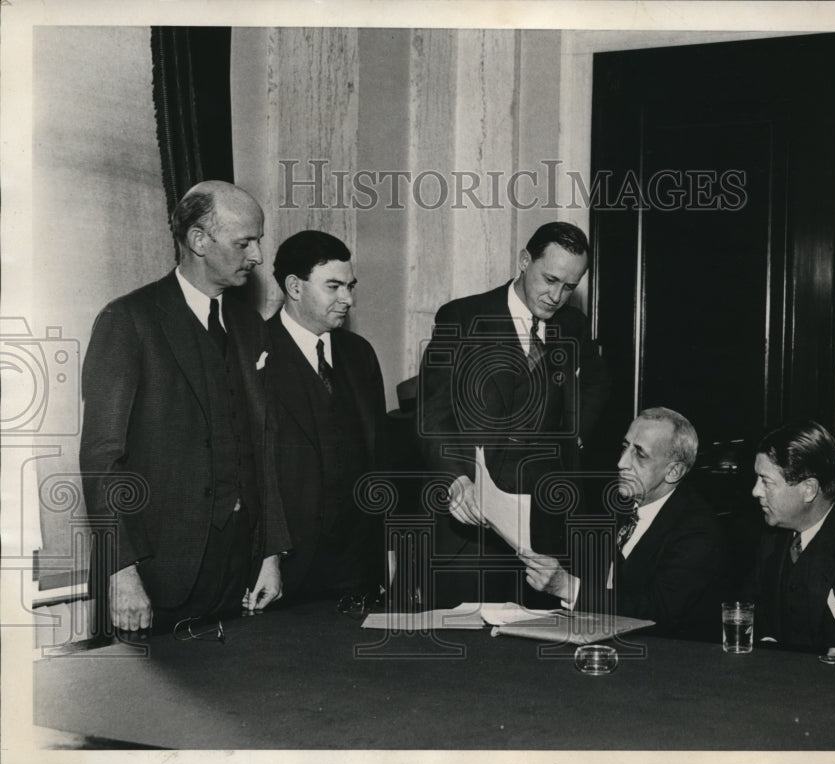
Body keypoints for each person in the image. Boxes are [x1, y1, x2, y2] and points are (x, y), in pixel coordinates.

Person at [80, 180, 291, 634]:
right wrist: (121, 573)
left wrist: (270, 552)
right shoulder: (128, 320)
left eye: (258, 241)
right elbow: (102, 460)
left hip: (238, 570)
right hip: (155, 575)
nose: (256, 257)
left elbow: (262, 444)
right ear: (199, 240)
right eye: (245, 243)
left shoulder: (248, 323)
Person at [418, 221, 610, 605]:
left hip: (545, 519)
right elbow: (433, 412)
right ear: (525, 261)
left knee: (540, 637)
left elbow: (597, 384)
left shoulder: (572, 325)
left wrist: (572, 437)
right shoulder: (462, 317)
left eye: (569, 287)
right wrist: (456, 477)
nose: (556, 296)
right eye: (550, 279)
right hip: (474, 515)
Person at [522, 407, 721, 638]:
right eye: (625, 447)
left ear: (674, 471)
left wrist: (567, 587)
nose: (621, 463)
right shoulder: (620, 504)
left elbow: (658, 613)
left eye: (640, 454)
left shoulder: (697, 530)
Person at [267, 230, 388, 603]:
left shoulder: (360, 354)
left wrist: (389, 553)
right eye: (333, 286)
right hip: (291, 573)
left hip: (358, 570)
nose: (347, 299)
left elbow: (380, 459)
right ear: (295, 286)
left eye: (349, 286)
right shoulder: (254, 352)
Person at [746, 420, 835, 655]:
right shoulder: (773, 533)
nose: (756, 491)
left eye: (766, 482)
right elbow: (752, 607)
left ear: (809, 489)